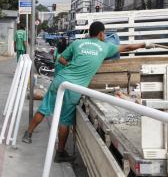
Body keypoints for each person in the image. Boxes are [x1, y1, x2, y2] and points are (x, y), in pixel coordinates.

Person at [22, 21, 154, 162]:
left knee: (44, 108)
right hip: (74, 88)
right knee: (64, 121)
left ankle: (27, 134)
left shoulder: (77, 44)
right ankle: (60, 153)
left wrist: (71, 65)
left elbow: (60, 58)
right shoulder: (105, 47)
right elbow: (127, 47)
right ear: (101, 34)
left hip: (60, 80)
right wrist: (144, 44)